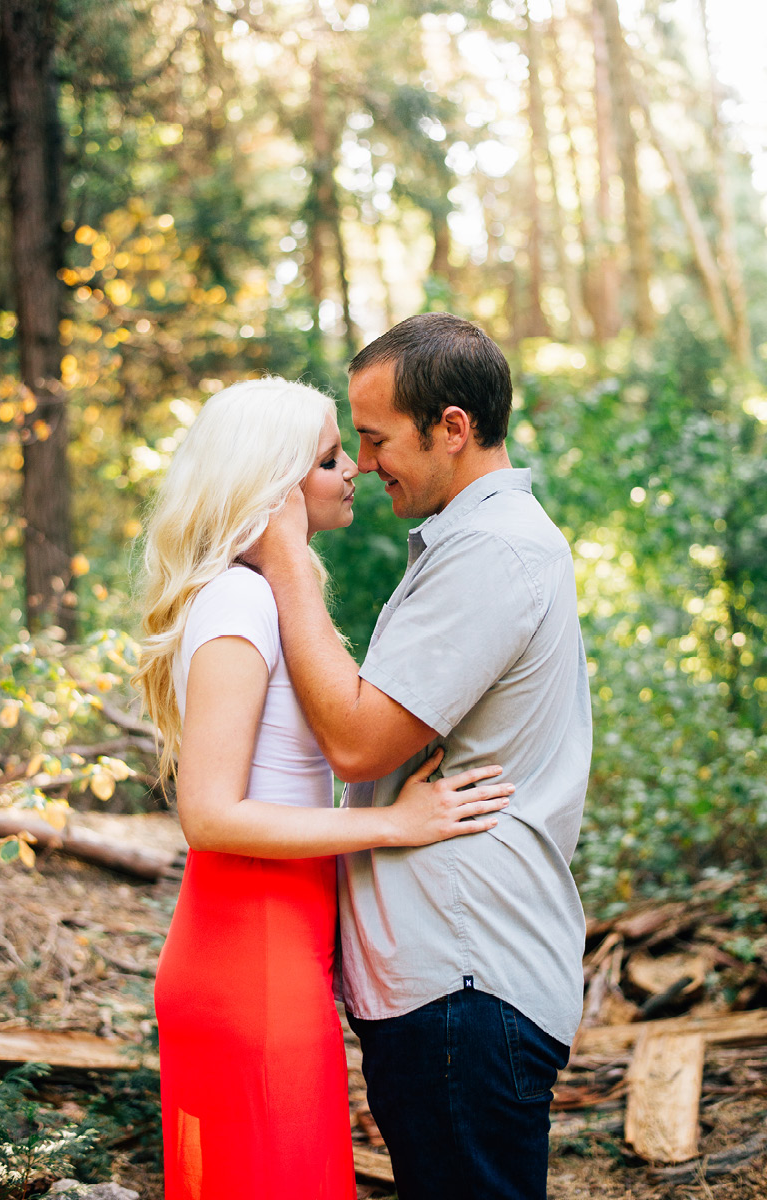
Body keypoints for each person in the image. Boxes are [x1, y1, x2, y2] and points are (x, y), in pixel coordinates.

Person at [133, 376, 515, 1200]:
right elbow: (209, 815)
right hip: (249, 959)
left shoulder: (264, 596)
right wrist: (396, 824)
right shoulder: (239, 601)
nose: (353, 470)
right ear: (274, 486)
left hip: (270, 955)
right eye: (329, 457)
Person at [252, 314, 592, 1200]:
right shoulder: (472, 540)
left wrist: (285, 555)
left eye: (375, 439)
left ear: (452, 427)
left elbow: (362, 740)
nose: (363, 463)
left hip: (464, 983)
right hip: (449, 982)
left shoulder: (491, 550)